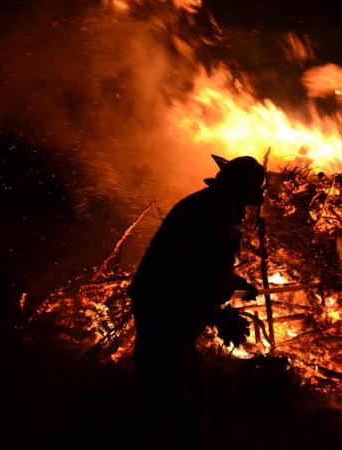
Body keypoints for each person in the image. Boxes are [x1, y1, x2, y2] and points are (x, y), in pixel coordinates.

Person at [127, 154, 264, 446]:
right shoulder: (215, 214)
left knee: (172, 382)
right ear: (239, 191)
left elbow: (204, 266)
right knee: (170, 388)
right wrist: (219, 314)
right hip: (164, 305)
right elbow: (191, 275)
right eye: (246, 199)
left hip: (161, 300)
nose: (246, 209)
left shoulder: (208, 205)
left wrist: (236, 284)